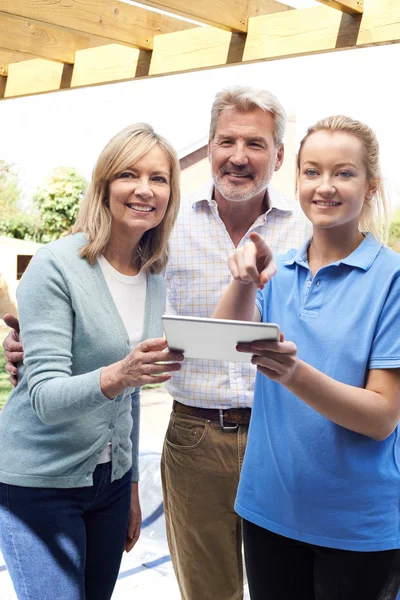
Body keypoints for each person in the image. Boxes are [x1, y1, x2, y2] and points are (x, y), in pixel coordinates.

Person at [3, 87, 308, 600]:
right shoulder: (161, 237)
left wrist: (126, 486)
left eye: (255, 143)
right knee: (209, 592)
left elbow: (130, 377)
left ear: (278, 155)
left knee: (290, 586)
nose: (238, 155)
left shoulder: (308, 232)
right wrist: (34, 346)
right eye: (225, 140)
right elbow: (106, 359)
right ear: (208, 147)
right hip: (191, 436)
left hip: (282, 434)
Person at [213, 115, 400, 599]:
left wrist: (294, 374)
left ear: (371, 186)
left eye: (344, 173)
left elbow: (381, 417)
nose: (325, 186)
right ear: (296, 179)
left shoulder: (391, 281)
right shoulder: (281, 268)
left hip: (357, 527)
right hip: (269, 511)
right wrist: (242, 278)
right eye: (312, 171)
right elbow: (221, 342)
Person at [0, 123, 184, 600]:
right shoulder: (57, 265)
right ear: (104, 186)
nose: (144, 189)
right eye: (129, 174)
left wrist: (131, 488)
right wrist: (119, 373)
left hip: (110, 484)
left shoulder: (153, 277)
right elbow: (43, 397)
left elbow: (133, 395)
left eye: (159, 178)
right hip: (39, 483)